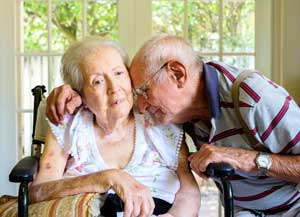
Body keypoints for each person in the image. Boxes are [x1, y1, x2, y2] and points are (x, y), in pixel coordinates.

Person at [47, 34, 300, 217]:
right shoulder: (181, 111)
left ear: (178, 75)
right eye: (98, 82)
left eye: (144, 91)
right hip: (247, 211)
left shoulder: (254, 98)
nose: (141, 106)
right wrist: (75, 92)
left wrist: (245, 159)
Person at [30, 37, 200, 217]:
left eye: (118, 73)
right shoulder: (70, 125)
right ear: (81, 95)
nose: (114, 88)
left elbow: (189, 192)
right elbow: (38, 192)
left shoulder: (159, 120)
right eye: (97, 81)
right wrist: (106, 178)